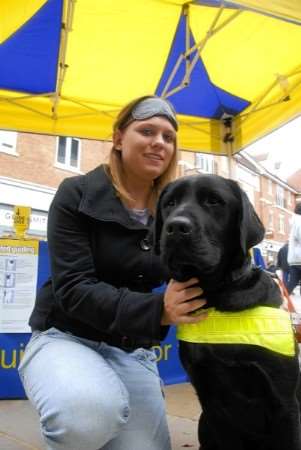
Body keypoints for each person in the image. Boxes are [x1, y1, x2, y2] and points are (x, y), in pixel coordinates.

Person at [18, 95, 207, 450]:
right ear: (119, 138)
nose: (159, 142)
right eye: (147, 131)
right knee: (87, 415)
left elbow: (195, 270)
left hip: (130, 348)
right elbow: (73, 288)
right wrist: (159, 311)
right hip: (65, 337)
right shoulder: (76, 194)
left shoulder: (174, 211)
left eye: (168, 137)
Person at [287, 202, 301, 295]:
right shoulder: (299, 222)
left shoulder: (295, 221)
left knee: (292, 283)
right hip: (299, 257)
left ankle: (281, 302)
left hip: (294, 259)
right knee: (292, 283)